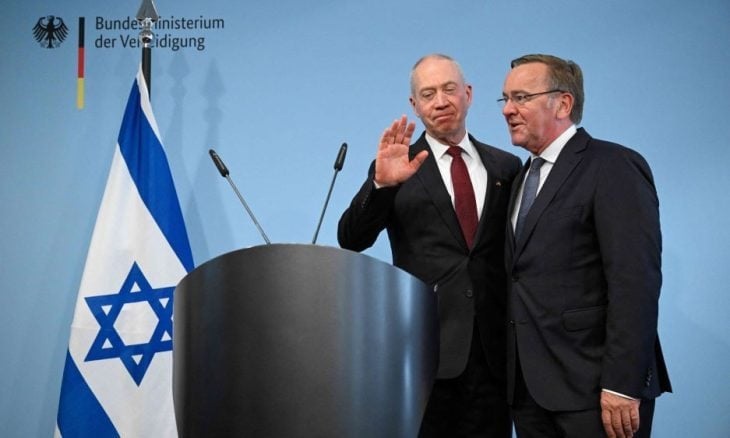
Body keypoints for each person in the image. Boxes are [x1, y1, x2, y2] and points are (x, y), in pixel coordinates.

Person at [338, 54, 521, 437]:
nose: (440, 101)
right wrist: (381, 185)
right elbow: (351, 239)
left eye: (449, 89)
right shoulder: (396, 167)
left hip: (496, 356)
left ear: (468, 94)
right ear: (415, 105)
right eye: (428, 94)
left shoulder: (506, 167)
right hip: (426, 355)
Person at [500, 53, 672, 438]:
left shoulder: (613, 165)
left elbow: (635, 281)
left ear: (563, 103)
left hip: (596, 392)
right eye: (506, 99)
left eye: (521, 97)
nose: (508, 109)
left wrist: (622, 384)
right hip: (530, 394)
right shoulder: (521, 178)